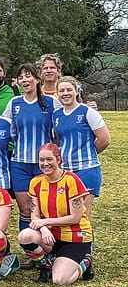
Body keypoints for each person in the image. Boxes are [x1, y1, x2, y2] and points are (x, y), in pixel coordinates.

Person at [19, 143, 94, 285]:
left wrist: (45, 222)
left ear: (58, 160)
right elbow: (34, 215)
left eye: (49, 159)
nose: (45, 163)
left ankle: (86, 261)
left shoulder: (71, 180)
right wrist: (42, 228)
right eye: (41, 160)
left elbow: (75, 217)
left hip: (75, 237)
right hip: (51, 236)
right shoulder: (36, 182)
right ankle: (45, 265)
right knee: (25, 236)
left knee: (60, 280)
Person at [2, 63, 57, 240]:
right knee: (26, 209)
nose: (25, 80)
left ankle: (49, 249)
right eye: (21, 77)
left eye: (28, 75)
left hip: (45, 165)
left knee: (46, 208)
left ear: (37, 79)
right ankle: (31, 251)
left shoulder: (51, 102)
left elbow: (67, 116)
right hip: (20, 164)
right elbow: (1, 126)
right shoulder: (14, 103)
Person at [53, 76, 109, 208]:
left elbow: (104, 139)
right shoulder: (56, 114)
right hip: (65, 171)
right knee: (66, 212)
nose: (65, 93)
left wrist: (88, 152)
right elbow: (58, 140)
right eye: (61, 91)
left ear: (76, 91)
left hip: (87, 170)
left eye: (69, 90)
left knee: (82, 215)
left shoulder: (88, 112)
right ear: (57, 93)